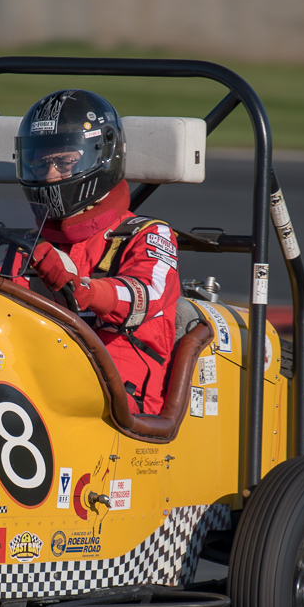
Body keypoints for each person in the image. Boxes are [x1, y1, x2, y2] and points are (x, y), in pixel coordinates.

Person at [15, 89, 180, 414]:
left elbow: (146, 295)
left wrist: (84, 290)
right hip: (36, 380)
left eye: (64, 162)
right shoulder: (26, 244)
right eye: (38, 164)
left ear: (102, 156)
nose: (49, 176)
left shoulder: (149, 234)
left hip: (118, 400)